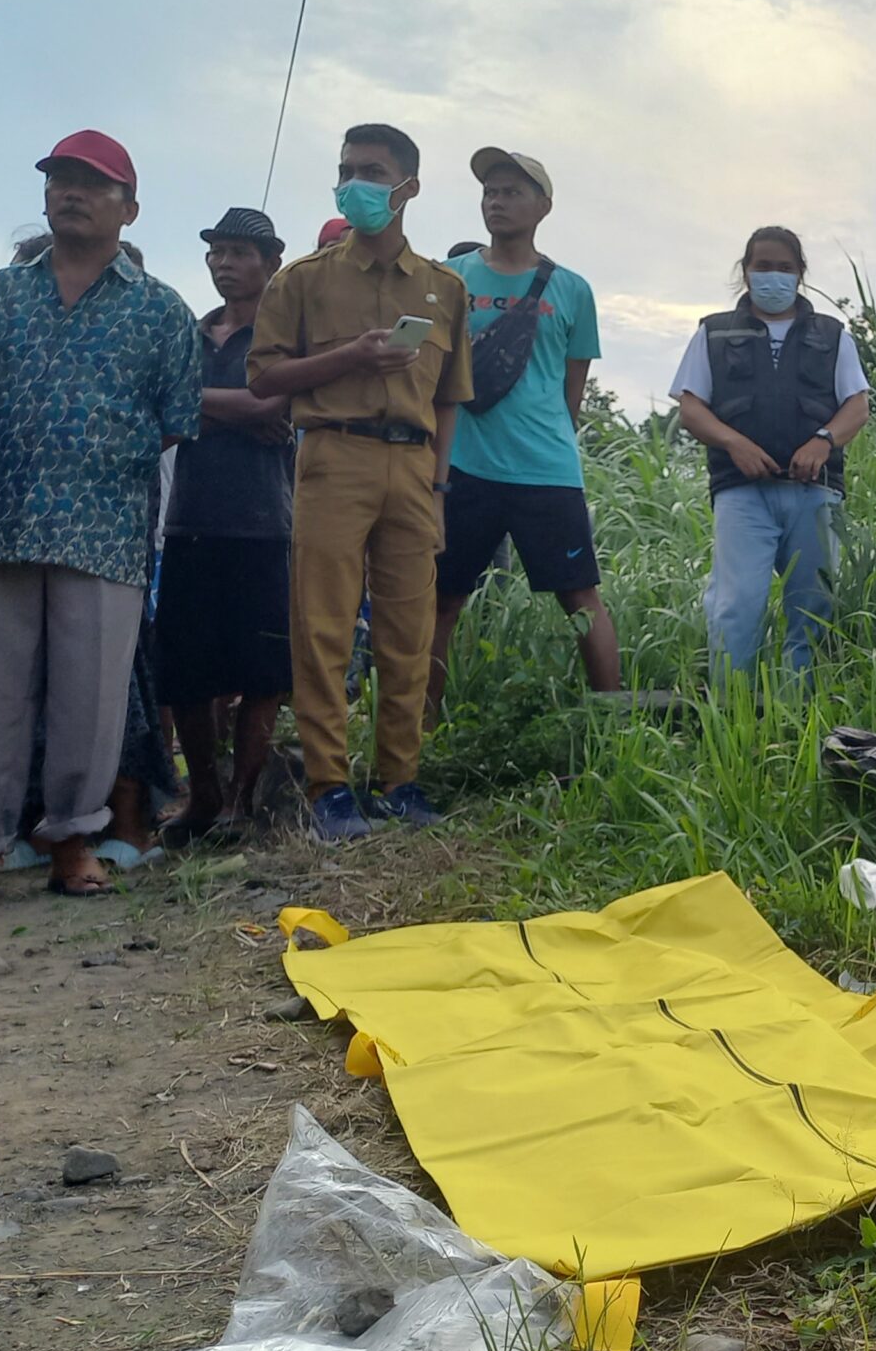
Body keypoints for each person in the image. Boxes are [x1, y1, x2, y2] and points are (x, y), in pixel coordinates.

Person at [0, 131, 199, 905]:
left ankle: (74, 842)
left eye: (91, 183)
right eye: (60, 181)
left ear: (129, 209)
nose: (70, 193)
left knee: (90, 700)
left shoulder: (160, 311)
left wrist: (95, 457)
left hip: (103, 530)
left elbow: (175, 418)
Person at [248, 122, 470, 842]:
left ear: (407, 187)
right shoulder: (303, 280)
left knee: (410, 631)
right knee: (323, 626)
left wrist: (437, 485)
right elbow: (265, 379)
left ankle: (400, 782)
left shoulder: (445, 289)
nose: (355, 183)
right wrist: (349, 358)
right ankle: (329, 787)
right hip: (332, 454)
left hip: (413, 466)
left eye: (371, 170)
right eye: (346, 169)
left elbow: (450, 399)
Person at [428, 147, 620, 711]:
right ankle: (422, 732)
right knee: (441, 600)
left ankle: (613, 722)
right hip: (463, 467)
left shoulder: (573, 290)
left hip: (546, 469)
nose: (497, 201)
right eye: (490, 191)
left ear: (544, 206)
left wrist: (544, 437)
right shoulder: (452, 278)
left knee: (581, 597)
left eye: (512, 191)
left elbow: (571, 390)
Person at [670, 226, 871, 679]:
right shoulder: (713, 333)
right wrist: (734, 443)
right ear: (746, 272)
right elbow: (690, 408)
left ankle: (802, 714)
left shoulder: (832, 333)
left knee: (815, 607)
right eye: (763, 266)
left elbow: (857, 406)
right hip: (742, 493)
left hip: (814, 493)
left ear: (801, 274)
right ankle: (731, 712)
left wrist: (823, 440)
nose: (773, 276)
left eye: (785, 267)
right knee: (736, 606)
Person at [159, 207, 294, 846]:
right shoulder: (192, 331)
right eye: (217, 252)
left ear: (272, 262)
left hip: (265, 521)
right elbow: (160, 404)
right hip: (189, 517)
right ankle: (203, 796)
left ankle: (242, 798)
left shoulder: (284, 334)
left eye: (241, 253)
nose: (224, 264)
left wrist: (202, 408)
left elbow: (277, 404)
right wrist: (238, 412)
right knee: (187, 666)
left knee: (262, 666)